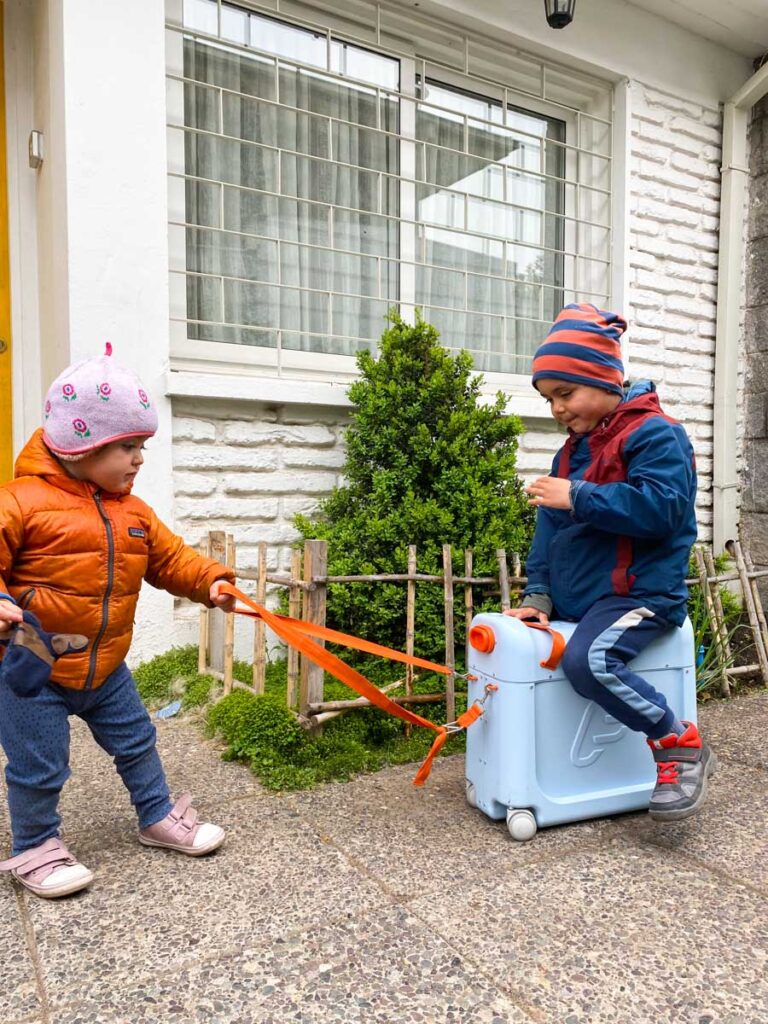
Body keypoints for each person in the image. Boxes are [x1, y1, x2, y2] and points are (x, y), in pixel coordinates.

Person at [0, 344, 236, 899]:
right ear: (82, 446)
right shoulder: (20, 502)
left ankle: (156, 816)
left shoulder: (132, 511)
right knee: (40, 764)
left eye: (142, 446)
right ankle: (35, 846)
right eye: (127, 446)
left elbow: (171, 559)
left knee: (138, 740)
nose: (138, 458)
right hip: (33, 663)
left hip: (105, 664)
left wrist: (212, 583)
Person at [505, 302, 714, 822]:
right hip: (591, 601)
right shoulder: (570, 454)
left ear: (604, 380)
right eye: (548, 397)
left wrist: (577, 495)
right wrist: (538, 596)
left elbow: (662, 510)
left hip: (642, 595)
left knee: (590, 661)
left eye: (564, 393)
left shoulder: (656, 434)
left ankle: (678, 742)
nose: (555, 408)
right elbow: (549, 533)